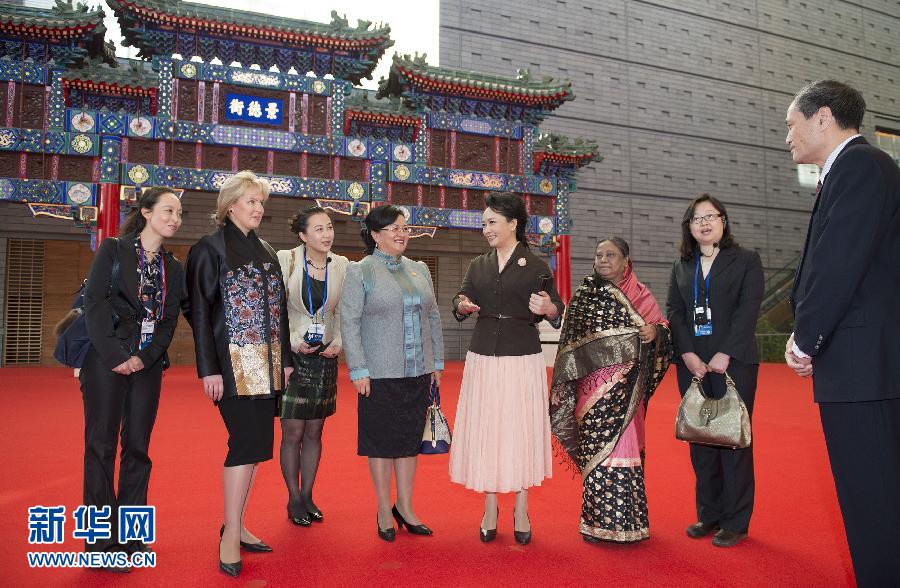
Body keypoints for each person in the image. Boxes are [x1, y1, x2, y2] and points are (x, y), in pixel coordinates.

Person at [783, 80, 900, 587]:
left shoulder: (860, 167)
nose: (787, 136)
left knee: (872, 497)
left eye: (792, 124)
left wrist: (805, 338)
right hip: (862, 362)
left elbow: (838, 263)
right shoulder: (857, 169)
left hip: (861, 366)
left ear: (823, 117)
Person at [184, 171, 292, 577]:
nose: (258, 208)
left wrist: (285, 360)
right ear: (230, 206)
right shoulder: (209, 249)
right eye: (251, 201)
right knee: (244, 444)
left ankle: (238, 524)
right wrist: (208, 368)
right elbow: (197, 311)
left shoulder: (266, 249)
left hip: (269, 364)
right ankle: (229, 534)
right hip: (233, 364)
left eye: (261, 202)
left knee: (257, 448)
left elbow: (279, 310)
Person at [449, 192, 564, 545]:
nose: (486, 229)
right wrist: (462, 305)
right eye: (484, 223)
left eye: (492, 222)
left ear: (513, 223)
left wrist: (548, 308)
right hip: (483, 356)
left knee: (519, 430)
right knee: (488, 429)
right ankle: (489, 507)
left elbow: (556, 308)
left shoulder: (537, 265)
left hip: (521, 357)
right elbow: (461, 298)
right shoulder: (478, 265)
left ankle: (522, 508)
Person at [80, 187, 184, 571]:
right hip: (106, 359)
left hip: (147, 364)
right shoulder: (114, 249)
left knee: (138, 448)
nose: (175, 219)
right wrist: (116, 357)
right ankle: (99, 544)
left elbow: (168, 321)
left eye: (179, 213)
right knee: (101, 447)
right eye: (168, 210)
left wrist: (144, 358)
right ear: (146, 212)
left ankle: (131, 536)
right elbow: (94, 302)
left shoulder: (173, 267)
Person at [551, 237, 672, 543]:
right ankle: (595, 525)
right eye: (599, 255)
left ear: (625, 262)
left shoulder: (640, 295)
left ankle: (629, 525)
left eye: (610, 255)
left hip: (628, 392)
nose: (603, 260)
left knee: (624, 451)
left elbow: (664, 329)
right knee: (596, 454)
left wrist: (654, 332)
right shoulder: (585, 296)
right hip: (591, 392)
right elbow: (569, 345)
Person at [339, 205, 444, 542]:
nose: (402, 234)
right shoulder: (361, 271)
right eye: (394, 228)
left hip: (418, 371)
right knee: (382, 443)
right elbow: (349, 322)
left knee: (410, 442)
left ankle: (405, 506)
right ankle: (384, 508)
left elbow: (433, 317)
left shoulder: (419, 269)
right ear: (375, 235)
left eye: (405, 228)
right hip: (379, 373)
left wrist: (436, 362)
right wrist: (358, 368)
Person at [666, 194, 763, 548]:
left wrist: (725, 353)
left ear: (724, 220)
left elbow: (748, 309)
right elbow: (674, 310)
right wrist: (688, 354)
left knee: (733, 438)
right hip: (693, 365)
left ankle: (735, 521)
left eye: (711, 216)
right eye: (697, 218)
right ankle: (709, 514)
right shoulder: (682, 265)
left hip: (733, 362)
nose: (704, 223)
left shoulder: (746, 260)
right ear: (689, 227)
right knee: (701, 438)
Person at [276, 206, 349, 526]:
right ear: (303, 235)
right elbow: (276, 309)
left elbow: (344, 309)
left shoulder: (341, 265)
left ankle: (308, 495)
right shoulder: (286, 260)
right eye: (318, 229)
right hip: (293, 355)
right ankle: (293, 498)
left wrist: (339, 341)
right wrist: (291, 341)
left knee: (316, 430)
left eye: (329, 227)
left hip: (325, 356)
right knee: (293, 431)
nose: (327, 234)